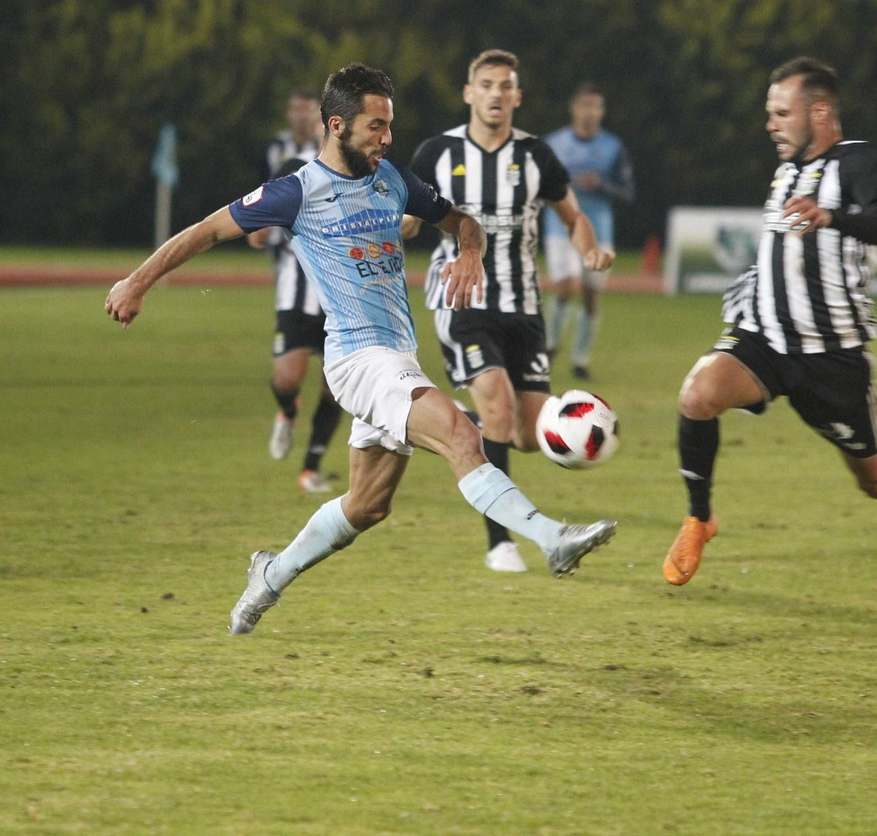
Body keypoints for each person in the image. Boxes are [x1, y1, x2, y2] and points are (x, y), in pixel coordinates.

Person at [105, 63, 617, 636]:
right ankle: (552, 538)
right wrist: (137, 282)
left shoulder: (392, 180)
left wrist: (469, 249)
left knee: (368, 505)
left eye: (389, 125)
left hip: (398, 358)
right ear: (336, 125)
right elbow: (204, 230)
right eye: (376, 126)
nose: (387, 138)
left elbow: (461, 221)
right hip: (357, 360)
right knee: (462, 435)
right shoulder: (295, 192)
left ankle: (269, 575)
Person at [663, 56, 877, 586]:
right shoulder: (787, 171)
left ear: (820, 111)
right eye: (770, 113)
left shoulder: (855, 162)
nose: (770, 124)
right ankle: (699, 517)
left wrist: (832, 216)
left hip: (831, 357)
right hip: (766, 339)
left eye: (781, 112)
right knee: (698, 395)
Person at [405, 50, 614, 573]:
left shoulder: (537, 156)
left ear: (517, 97)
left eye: (506, 86)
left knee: (525, 435)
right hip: (462, 301)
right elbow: (406, 216)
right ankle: (502, 542)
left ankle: (452, 425)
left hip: (523, 308)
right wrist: (399, 224)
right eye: (487, 84)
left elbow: (573, 216)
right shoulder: (437, 151)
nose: (497, 94)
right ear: (469, 93)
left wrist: (588, 249)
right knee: (498, 406)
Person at [247, 90, 343, 493]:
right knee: (287, 379)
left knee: (335, 385)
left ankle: (310, 468)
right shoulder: (286, 158)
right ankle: (288, 411)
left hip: (340, 290)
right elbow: (263, 205)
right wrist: (260, 226)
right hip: (295, 283)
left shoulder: (356, 163)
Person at [541, 83, 634, 382]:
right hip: (560, 227)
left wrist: (602, 185)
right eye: (585, 105)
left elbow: (627, 192)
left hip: (598, 230)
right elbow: (534, 184)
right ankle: (551, 344)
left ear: (602, 112)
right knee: (566, 286)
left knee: (592, 295)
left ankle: (580, 359)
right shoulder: (553, 143)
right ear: (574, 109)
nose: (590, 112)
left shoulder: (613, 147)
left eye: (596, 106)